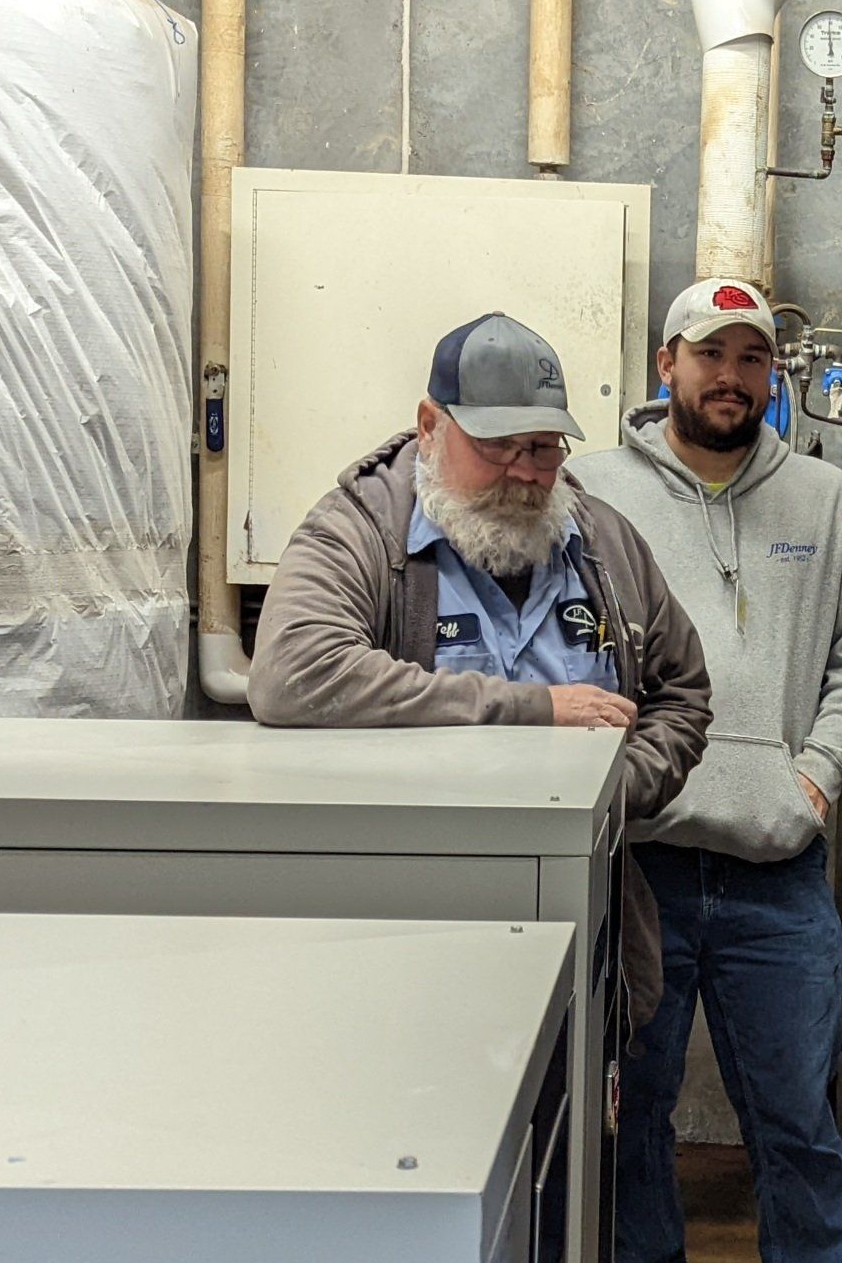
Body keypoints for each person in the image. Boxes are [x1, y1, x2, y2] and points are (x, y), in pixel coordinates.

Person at [248, 310, 713, 1027]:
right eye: (498, 445)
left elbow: (682, 693)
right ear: (431, 424)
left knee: (597, 1125)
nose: (526, 472)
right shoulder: (361, 530)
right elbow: (293, 672)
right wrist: (535, 709)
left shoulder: (602, 543)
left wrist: (605, 795)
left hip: (583, 921)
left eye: (545, 447)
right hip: (406, 927)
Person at [580, 278, 842, 1263]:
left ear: (772, 375)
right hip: (640, 871)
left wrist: (812, 778)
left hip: (779, 872)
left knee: (798, 1123)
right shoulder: (590, 492)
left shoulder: (826, 500)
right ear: (665, 364)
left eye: (750, 358)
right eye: (708, 354)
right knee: (634, 1117)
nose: (730, 376)